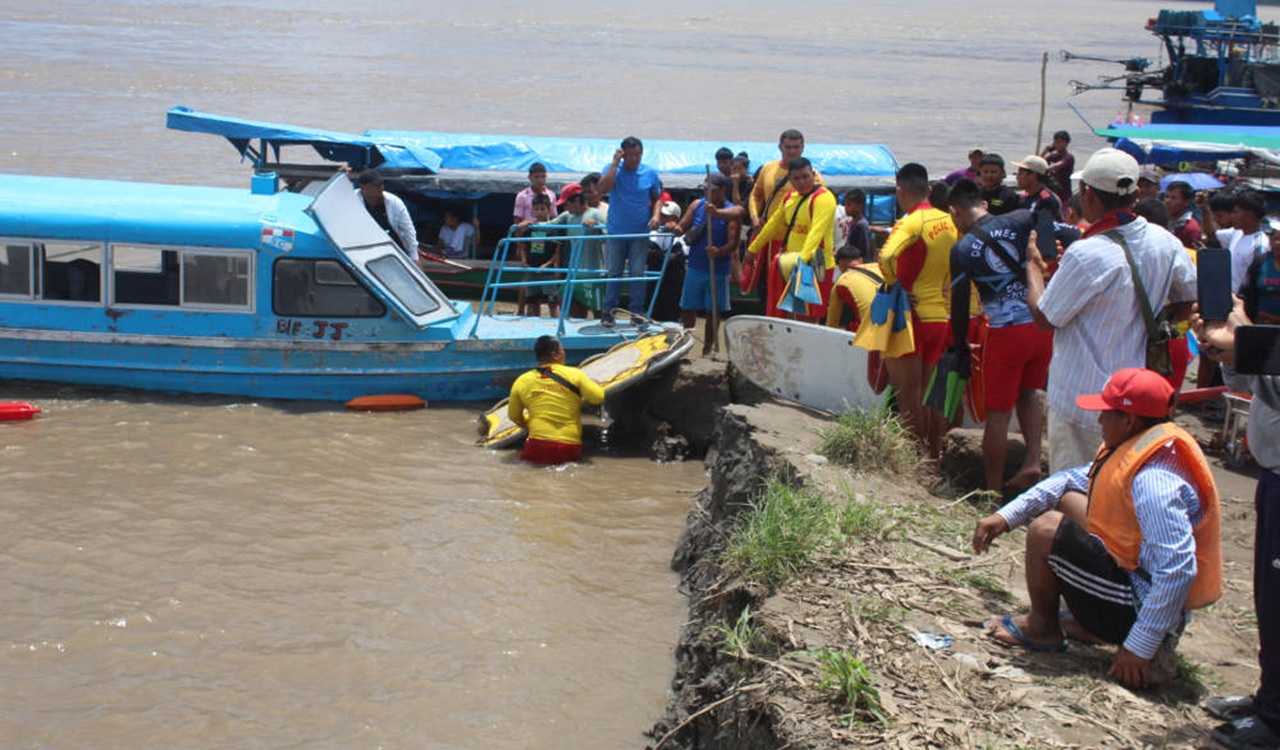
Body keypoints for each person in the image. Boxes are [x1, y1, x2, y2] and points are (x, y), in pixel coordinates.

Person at [972, 367, 1222, 689]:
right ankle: (1089, 622)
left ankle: (1043, 627)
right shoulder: (1140, 445)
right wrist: (1007, 516)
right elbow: (1067, 481)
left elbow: (1177, 569)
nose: (1099, 421)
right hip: (1132, 574)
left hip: (1139, 600)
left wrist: (1139, 647)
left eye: (1106, 413)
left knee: (1046, 529)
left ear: (1129, 421)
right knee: (1071, 499)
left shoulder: (1154, 482)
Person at [1025, 148, 1196, 474]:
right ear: (1134, 194)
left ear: (1087, 194)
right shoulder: (1165, 241)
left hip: (1082, 397)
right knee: (1118, 486)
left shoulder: (1087, 253)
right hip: (1134, 396)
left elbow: (1045, 319)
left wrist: (1033, 267)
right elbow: (1187, 303)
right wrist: (1157, 340)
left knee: (1074, 488)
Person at [1193, 300, 1280, 750]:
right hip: (1272, 473)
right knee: (1268, 597)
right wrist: (1226, 352)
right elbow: (1255, 382)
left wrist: (1244, 339)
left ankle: (1275, 720)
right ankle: (1269, 699)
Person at [948, 179, 1052, 494]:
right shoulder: (1020, 219)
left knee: (997, 416)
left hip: (1006, 331)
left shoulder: (962, 249)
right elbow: (1047, 225)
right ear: (983, 202)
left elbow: (960, 304)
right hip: (1041, 324)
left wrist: (960, 345)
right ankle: (1032, 459)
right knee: (1029, 393)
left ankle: (992, 491)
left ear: (955, 212)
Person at [873, 162, 958, 458]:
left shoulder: (910, 222)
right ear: (930, 191)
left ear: (900, 192)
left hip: (911, 317)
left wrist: (895, 285)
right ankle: (933, 458)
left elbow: (887, 256)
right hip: (939, 317)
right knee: (928, 394)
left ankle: (913, 462)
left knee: (907, 395)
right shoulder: (948, 221)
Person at [744, 156, 837, 322]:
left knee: (807, 320)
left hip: (815, 267)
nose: (802, 182)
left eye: (806, 176)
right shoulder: (790, 197)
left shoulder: (824, 198)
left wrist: (802, 261)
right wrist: (752, 249)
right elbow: (773, 225)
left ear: (813, 174)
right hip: (789, 265)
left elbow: (816, 233)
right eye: (796, 178)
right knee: (786, 317)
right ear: (790, 179)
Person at [507, 335, 605, 465]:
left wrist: (532, 424)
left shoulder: (522, 380)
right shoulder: (575, 374)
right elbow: (598, 398)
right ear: (556, 355)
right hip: (568, 447)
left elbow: (514, 416)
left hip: (537, 447)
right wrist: (594, 384)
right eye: (562, 350)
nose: (564, 353)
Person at [598, 136, 664, 324]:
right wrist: (615, 163)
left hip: (640, 232)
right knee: (614, 273)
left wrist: (656, 215)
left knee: (637, 273)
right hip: (617, 231)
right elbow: (603, 188)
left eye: (638, 154)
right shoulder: (613, 170)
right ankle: (608, 312)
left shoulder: (650, 173)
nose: (635, 159)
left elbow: (657, 197)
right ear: (623, 154)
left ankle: (637, 312)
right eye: (631, 155)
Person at [679, 173, 740, 354]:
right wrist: (675, 227)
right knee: (688, 308)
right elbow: (683, 225)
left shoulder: (731, 212)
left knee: (713, 311)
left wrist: (719, 252)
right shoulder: (697, 205)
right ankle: (685, 345)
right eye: (705, 189)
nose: (707, 192)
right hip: (695, 266)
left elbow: (733, 243)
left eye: (711, 190)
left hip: (717, 270)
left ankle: (708, 348)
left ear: (722, 191)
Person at [548, 183, 608, 318]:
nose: (565, 207)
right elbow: (549, 225)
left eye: (566, 203)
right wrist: (529, 224)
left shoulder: (596, 214)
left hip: (593, 272)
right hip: (574, 271)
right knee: (563, 301)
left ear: (576, 201)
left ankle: (604, 331)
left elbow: (607, 237)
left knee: (599, 311)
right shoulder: (567, 216)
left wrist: (596, 227)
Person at [1203, 188, 1269, 293]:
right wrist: (1204, 210)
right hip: (1228, 297)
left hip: (1243, 303)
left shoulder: (1260, 246)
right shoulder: (1236, 233)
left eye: (1235, 212)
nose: (1232, 217)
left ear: (1249, 215)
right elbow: (1212, 235)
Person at [355, 170, 418, 258]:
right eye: (375, 185)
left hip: (394, 248)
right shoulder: (351, 201)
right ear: (362, 187)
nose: (380, 187)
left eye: (381, 184)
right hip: (364, 248)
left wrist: (414, 257)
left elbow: (408, 230)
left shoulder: (394, 201)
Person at [518, 194, 559, 318]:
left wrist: (548, 264)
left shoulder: (554, 229)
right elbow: (523, 247)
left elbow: (558, 250)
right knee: (532, 301)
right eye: (536, 209)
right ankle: (532, 327)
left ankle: (555, 326)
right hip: (531, 268)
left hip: (548, 271)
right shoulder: (529, 228)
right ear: (532, 210)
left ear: (549, 209)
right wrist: (524, 261)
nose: (539, 212)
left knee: (552, 302)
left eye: (542, 209)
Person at [826, 246, 883, 333]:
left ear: (841, 263)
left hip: (871, 333)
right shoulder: (878, 267)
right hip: (899, 323)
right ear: (861, 260)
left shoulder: (841, 282)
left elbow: (832, 324)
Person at [1012, 155, 1063, 221]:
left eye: (1020, 174)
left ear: (1033, 176)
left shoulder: (1047, 201)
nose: (1017, 178)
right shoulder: (1022, 198)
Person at [513, 162, 557, 226]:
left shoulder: (551, 195)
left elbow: (553, 217)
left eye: (542, 177)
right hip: (527, 233)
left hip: (546, 232)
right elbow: (517, 219)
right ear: (530, 177)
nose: (539, 180)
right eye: (536, 177)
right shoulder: (522, 196)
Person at [1164, 180, 1204, 249]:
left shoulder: (1191, 229)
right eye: (1167, 197)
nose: (1168, 201)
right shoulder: (1161, 220)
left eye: (1174, 198)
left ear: (1186, 202)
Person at [837, 189, 872, 261]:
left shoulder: (861, 226)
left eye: (849, 204)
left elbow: (863, 251)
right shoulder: (852, 222)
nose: (845, 207)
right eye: (845, 204)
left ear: (860, 207)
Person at [1041, 130, 1075, 206]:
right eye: (1056, 142)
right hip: (1051, 193)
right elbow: (1038, 161)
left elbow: (1056, 166)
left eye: (1060, 142)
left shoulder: (1068, 157)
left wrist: (1045, 169)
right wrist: (1046, 150)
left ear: (1066, 143)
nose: (1057, 145)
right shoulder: (1052, 156)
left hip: (1063, 195)